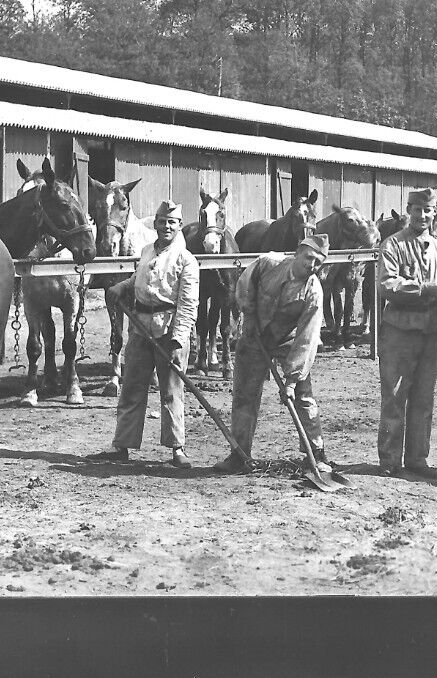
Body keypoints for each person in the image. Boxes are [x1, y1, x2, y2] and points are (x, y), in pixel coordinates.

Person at [88, 200, 199, 468]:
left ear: (179, 226)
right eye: (162, 222)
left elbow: (188, 305)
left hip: (168, 331)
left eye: (171, 222)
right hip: (139, 328)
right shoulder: (147, 250)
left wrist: (178, 339)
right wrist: (123, 287)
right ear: (156, 224)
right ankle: (122, 446)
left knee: (172, 391)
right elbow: (140, 277)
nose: (166, 227)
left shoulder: (186, 259)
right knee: (132, 387)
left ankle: (177, 448)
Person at [214, 234, 330, 473]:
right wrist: (249, 315)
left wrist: (291, 380)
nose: (311, 265)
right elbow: (245, 284)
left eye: (318, 262)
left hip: (287, 339)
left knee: (303, 396)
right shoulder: (269, 262)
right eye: (308, 258)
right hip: (254, 332)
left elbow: (306, 340)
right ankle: (240, 454)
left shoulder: (314, 293)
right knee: (245, 394)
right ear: (297, 253)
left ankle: (316, 454)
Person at [375, 188, 437, 477]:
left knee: (424, 398)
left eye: (427, 211)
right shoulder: (393, 245)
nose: (422, 216)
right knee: (394, 396)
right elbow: (387, 285)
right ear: (408, 210)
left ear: (435, 214)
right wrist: (423, 289)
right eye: (417, 210)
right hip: (399, 331)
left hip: (431, 333)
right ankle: (389, 460)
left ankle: (418, 459)